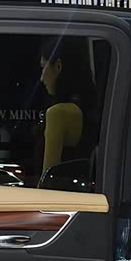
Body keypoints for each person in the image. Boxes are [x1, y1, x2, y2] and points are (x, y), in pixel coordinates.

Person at [38, 37, 98, 175]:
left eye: (43, 67)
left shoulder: (57, 113)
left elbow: (48, 177)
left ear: (58, 66)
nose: (41, 78)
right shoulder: (88, 109)